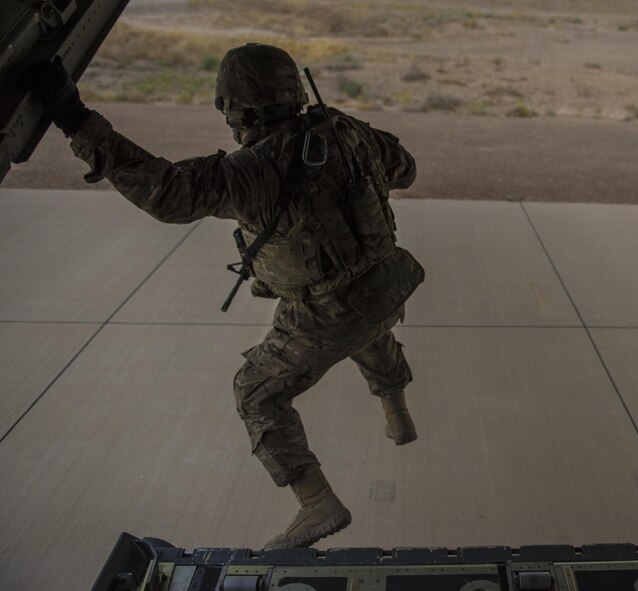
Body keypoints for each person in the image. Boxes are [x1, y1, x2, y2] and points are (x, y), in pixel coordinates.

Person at [19, 44, 423, 549]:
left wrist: (76, 119)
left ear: (235, 108)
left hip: (328, 312)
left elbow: (168, 193)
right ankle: (396, 412)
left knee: (255, 393)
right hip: (387, 287)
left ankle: (317, 503)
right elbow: (404, 168)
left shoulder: (251, 170)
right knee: (368, 327)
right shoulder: (346, 132)